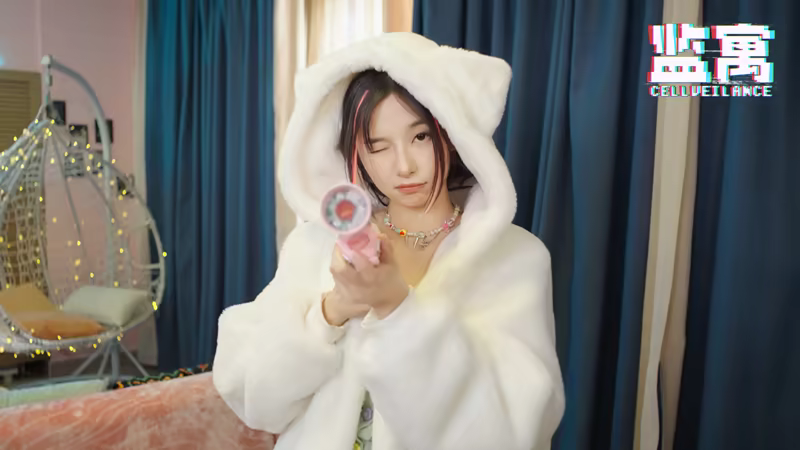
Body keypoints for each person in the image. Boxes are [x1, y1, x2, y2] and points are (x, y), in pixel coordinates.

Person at [212, 32, 565, 450]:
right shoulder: (316, 244)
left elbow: (514, 431)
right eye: (377, 146)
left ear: (451, 135)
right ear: (356, 154)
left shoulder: (514, 259)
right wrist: (331, 311)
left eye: (421, 137)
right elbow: (253, 398)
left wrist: (397, 306)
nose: (404, 166)